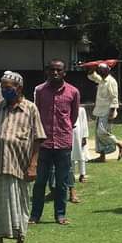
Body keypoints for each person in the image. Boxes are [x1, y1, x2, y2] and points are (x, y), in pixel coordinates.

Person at [0, 71, 46, 243]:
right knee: (0, 205)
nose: (4, 90)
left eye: (8, 87)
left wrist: (33, 165)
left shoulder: (30, 109)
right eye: (2, 87)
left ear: (19, 88)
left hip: (21, 166)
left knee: (21, 204)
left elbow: (38, 138)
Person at [30, 60, 80, 226]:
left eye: (59, 70)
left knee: (62, 182)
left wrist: (64, 129)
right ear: (47, 71)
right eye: (52, 70)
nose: (55, 73)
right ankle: (35, 215)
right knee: (40, 182)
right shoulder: (39, 91)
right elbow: (36, 114)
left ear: (64, 72)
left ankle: (60, 215)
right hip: (43, 143)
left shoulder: (73, 92)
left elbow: (73, 117)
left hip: (63, 143)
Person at [87, 62, 122, 162]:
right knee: (98, 134)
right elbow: (91, 76)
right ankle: (102, 156)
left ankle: (120, 145)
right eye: (99, 70)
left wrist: (112, 113)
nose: (100, 71)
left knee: (102, 133)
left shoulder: (111, 81)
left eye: (102, 70)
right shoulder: (101, 80)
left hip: (107, 111)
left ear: (107, 70)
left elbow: (114, 98)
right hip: (99, 111)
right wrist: (92, 68)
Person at [70, 100, 89, 198]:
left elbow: (84, 123)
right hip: (69, 135)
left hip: (79, 136)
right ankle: (72, 176)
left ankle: (82, 174)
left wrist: (84, 136)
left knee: (81, 155)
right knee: (71, 157)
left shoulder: (81, 110)